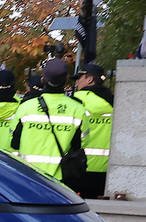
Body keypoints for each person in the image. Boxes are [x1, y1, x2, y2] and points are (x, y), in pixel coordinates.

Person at [10, 59, 88, 191]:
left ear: (43, 79)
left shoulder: (26, 107)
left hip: (28, 176)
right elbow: (81, 144)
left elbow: (14, 142)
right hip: (61, 179)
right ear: (66, 80)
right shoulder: (77, 109)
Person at [72, 62, 114, 198]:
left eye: (79, 78)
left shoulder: (75, 102)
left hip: (78, 168)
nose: (77, 82)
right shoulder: (114, 103)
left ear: (89, 79)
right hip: (106, 170)